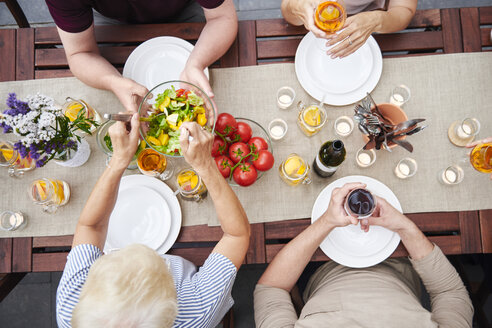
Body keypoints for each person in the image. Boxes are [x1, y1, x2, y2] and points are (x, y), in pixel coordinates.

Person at [56, 115, 250, 327]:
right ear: (172, 305)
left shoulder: (72, 307)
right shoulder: (196, 312)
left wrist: (118, 161)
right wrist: (205, 165)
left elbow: (90, 227)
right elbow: (237, 235)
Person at [254, 182, 473, 327]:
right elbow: (449, 292)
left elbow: (271, 289)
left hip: (318, 267)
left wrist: (327, 221)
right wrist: (405, 228)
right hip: (403, 260)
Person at [44, 0, 238, 112]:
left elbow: (222, 18)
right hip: (114, 21)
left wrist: (196, 63)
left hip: (186, 10)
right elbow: (79, 53)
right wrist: (112, 81)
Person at [281, 0, 417, 58]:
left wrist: (377, 20)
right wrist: (296, 6)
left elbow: (404, 9)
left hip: (365, 21)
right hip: (308, 28)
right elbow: (288, 11)